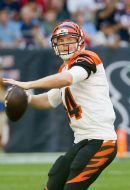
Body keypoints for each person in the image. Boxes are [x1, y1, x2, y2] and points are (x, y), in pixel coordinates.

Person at [3, 21, 117, 190]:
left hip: (101, 140)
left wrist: (28, 84)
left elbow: (67, 79)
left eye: (69, 40)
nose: (64, 45)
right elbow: (49, 100)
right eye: (60, 42)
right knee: (56, 177)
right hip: (81, 140)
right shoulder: (64, 70)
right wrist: (25, 98)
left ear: (80, 41)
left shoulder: (88, 58)